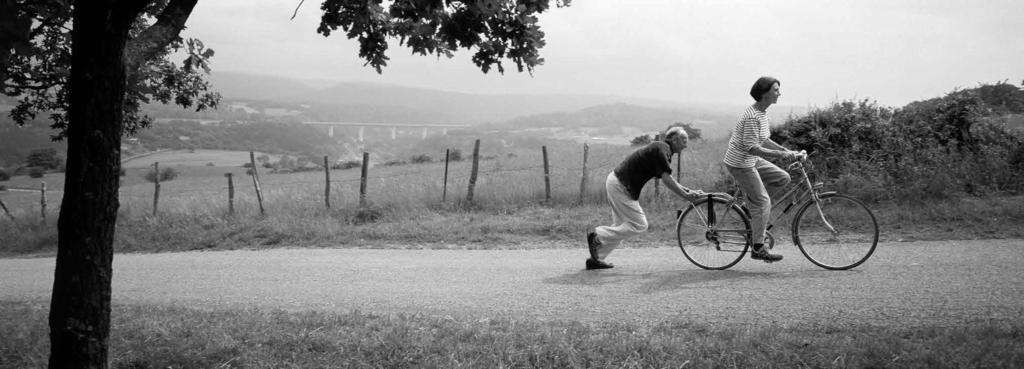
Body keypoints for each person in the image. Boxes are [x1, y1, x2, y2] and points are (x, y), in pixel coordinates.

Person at [585, 126, 705, 270]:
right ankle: (598, 235)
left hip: (618, 182)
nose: (686, 145)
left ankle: (596, 258)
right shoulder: (662, 149)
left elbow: (669, 178)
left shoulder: (662, 149)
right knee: (639, 225)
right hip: (621, 185)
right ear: (675, 139)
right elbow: (667, 179)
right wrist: (686, 195)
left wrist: (689, 191)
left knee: (621, 227)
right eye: (684, 140)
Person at [723, 76, 805, 262]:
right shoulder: (752, 116)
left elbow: (764, 140)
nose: (779, 93)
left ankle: (749, 209)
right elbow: (752, 147)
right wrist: (782, 156)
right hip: (741, 162)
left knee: (783, 178)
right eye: (775, 90)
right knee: (763, 202)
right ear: (764, 93)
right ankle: (758, 247)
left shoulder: (762, 113)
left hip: (751, 159)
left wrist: (786, 150)